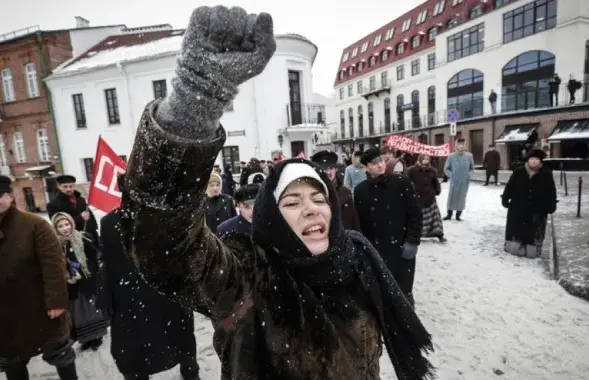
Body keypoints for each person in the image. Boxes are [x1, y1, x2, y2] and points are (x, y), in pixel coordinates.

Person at [119, 6, 434, 380]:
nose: (311, 209)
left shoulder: (356, 263)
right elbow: (164, 249)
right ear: (272, 217)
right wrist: (195, 100)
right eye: (292, 201)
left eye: (318, 199)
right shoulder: (249, 277)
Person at [98, 175, 200, 380]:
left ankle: (190, 371)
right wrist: (106, 295)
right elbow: (106, 262)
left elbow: (181, 253)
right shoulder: (109, 223)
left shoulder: (165, 218)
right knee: (132, 349)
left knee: (181, 339)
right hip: (129, 297)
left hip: (165, 291)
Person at [0, 175, 78, 380]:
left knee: (60, 354)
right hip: (5, 314)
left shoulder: (34, 225)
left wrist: (57, 302)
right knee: (12, 361)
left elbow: (53, 265)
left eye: (1, 195)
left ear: (10, 196)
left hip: (40, 307)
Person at [354, 147, 423, 305]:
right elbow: (361, 223)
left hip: (400, 247)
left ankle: (407, 323)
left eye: (381, 161)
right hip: (376, 250)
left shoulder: (401, 182)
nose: (380, 165)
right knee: (381, 292)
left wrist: (412, 240)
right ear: (365, 167)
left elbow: (415, 213)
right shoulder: (360, 191)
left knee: (403, 292)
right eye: (374, 163)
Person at [51, 212, 108, 351]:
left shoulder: (82, 238)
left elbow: (94, 256)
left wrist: (89, 246)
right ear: (55, 228)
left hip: (87, 281)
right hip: (72, 285)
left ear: (72, 224)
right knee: (79, 313)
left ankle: (96, 337)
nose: (65, 228)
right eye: (60, 226)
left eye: (67, 224)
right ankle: (86, 338)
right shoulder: (55, 244)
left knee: (92, 310)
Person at [501, 149, 557, 258]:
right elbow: (510, 186)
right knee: (515, 239)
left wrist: (551, 204)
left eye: (537, 159)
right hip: (518, 207)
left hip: (537, 210)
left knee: (533, 241)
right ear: (528, 160)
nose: (534, 161)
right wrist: (505, 198)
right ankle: (515, 246)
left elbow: (551, 191)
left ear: (540, 161)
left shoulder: (546, 174)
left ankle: (532, 248)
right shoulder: (518, 172)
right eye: (532, 159)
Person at [311, 150, 361, 231]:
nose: (328, 172)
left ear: (336, 169)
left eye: (331, 168)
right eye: (324, 169)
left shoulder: (345, 192)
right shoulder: (311, 193)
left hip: (343, 239)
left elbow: (354, 222)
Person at [47, 174, 99, 245]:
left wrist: (95, 235)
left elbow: (90, 218)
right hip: (70, 240)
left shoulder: (81, 200)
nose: (68, 189)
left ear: (74, 186)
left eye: (71, 186)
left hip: (89, 236)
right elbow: (57, 224)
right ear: (59, 187)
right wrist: (80, 218)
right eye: (65, 187)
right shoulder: (53, 204)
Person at [407, 155, 446, 242]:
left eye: (428, 159)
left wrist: (436, 190)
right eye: (424, 159)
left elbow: (436, 183)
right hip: (417, 197)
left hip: (430, 197)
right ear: (420, 159)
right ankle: (417, 234)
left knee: (435, 218)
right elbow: (408, 182)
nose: (426, 160)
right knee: (418, 217)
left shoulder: (432, 170)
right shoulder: (411, 170)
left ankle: (439, 234)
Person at [443, 139, 474, 221]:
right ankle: (449, 214)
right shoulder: (451, 156)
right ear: (456, 145)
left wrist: (468, 175)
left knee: (461, 197)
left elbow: (472, 168)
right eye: (459, 144)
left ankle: (458, 215)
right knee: (452, 197)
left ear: (465, 145)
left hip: (464, 181)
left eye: (462, 144)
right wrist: (452, 175)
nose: (461, 146)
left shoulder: (469, 156)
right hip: (454, 181)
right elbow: (446, 169)